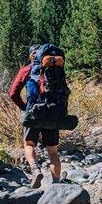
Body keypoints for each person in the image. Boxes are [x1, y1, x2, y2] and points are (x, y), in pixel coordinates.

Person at [9, 45, 62, 189]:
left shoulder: (26, 70)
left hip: (33, 113)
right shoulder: (55, 69)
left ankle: (35, 170)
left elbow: (13, 93)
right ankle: (56, 185)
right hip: (52, 113)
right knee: (53, 152)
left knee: (29, 144)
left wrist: (25, 107)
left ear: (31, 56)